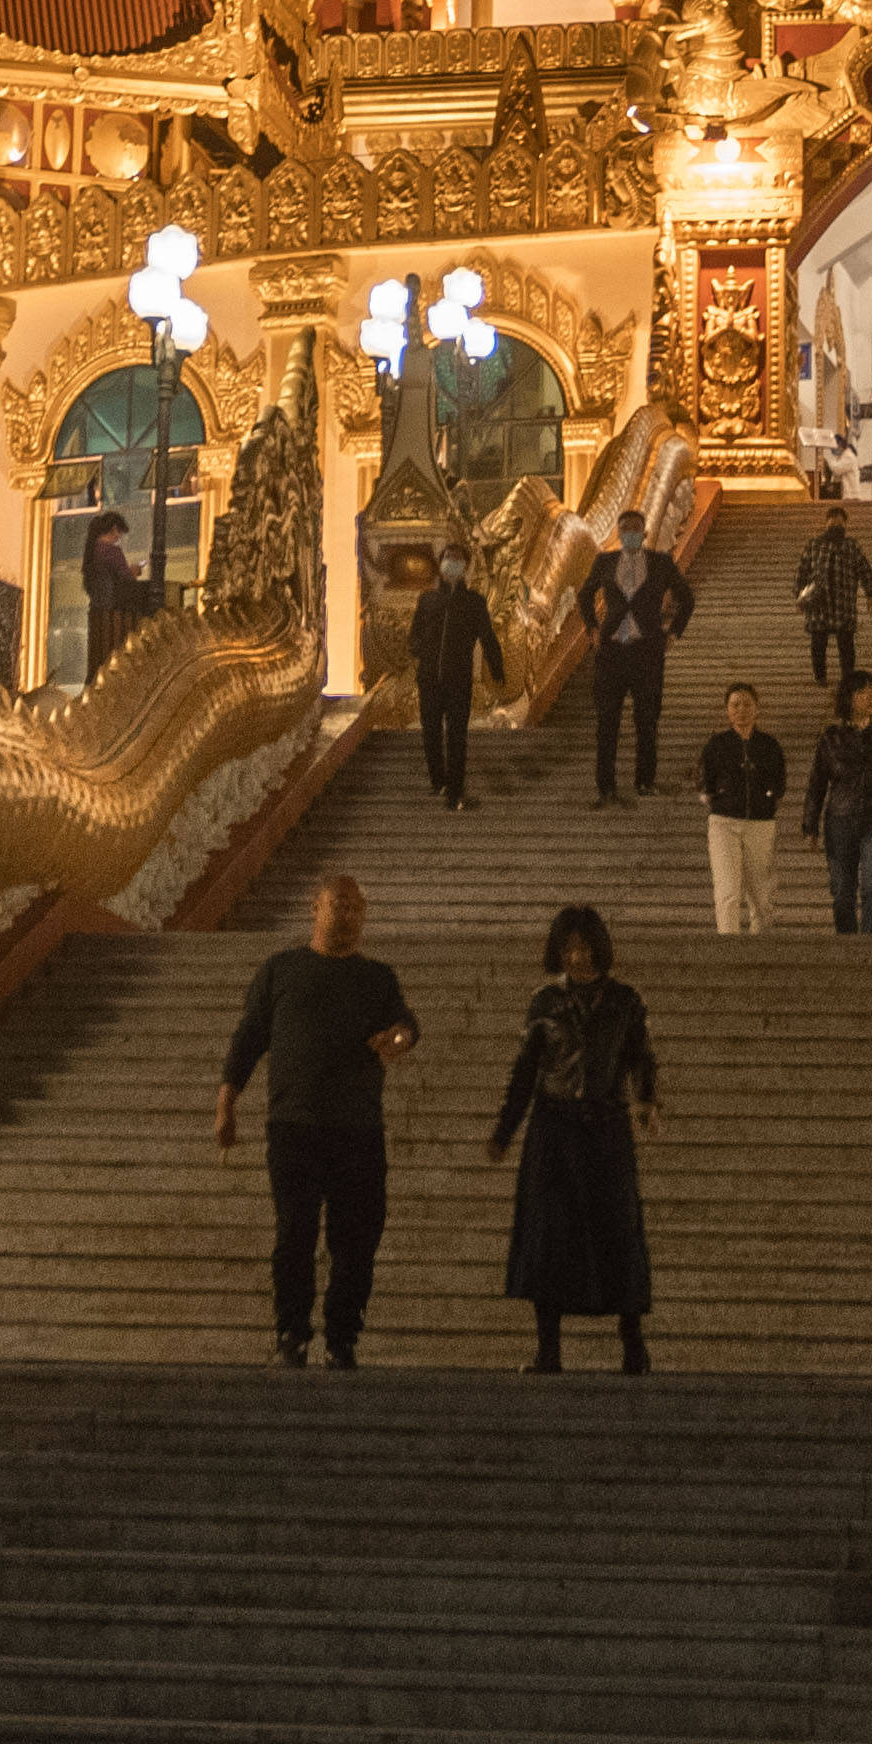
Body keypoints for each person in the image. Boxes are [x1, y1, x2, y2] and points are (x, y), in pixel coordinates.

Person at [213, 871, 419, 1368]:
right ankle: (292, 1331)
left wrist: (400, 1038)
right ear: (315, 907)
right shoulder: (281, 971)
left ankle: (343, 1336)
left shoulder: (377, 978)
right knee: (295, 1233)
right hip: (294, 1126)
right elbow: (248, 1039)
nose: (345, 915)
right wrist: (226, 1102)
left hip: (358, 1129)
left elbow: (407, 1023)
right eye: (336, 905)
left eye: (354, 908)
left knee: (357, 1237)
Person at [487, 903, 659, 1371]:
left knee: (618, 1233)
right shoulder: (545, 1003)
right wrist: (505, 1130)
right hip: (554, 1130)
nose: (578, 958)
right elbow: (525, 1073)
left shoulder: (625, 1000)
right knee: (548, 1238)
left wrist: (646, 1102)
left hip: (605, 1127)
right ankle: (548, 1349)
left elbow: (640, 1057)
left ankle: (633, 1345)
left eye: (584, 948)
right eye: (569, 949)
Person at [584, 513, 686, 806]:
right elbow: (584, 594)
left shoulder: (660, 563)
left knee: (647, 720)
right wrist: (592, 627)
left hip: (647, 652)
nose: (630, 533)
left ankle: (645, 781)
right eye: (625, 529)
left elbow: (686, 597)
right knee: (607, 722)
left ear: (644, 532)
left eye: (635, 529)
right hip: (612, 652)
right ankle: (606, 786)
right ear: (617, 532)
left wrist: (673, 632)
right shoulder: (604, 561)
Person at [805, 670, 872, 935]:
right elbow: (817, 782)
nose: (871, 697)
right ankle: (847, 948)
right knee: (842, 891)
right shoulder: (831, 737)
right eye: (863, 692)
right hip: (840, 819)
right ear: (849, 698)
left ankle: (870, 949)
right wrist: (810, 826)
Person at [406, 552, 502, 811]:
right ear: (441, 563)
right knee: (431, 733)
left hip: (458, 680)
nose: (453, 564)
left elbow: (487, 637)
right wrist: (420, 650)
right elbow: (414, 634)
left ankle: (455, 792)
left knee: (457, 736)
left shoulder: (473, 602)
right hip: (429, 679)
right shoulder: (428, 600)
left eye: (458, 560)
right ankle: (439, 782)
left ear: (465, 568)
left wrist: (497, 669)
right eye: (449, 559)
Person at [694, 681, 786, 931]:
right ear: (727, 710)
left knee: (761, 895)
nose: (741, 709)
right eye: (735, 704)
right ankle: (728, 953)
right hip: (724, 822)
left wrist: (768, 797)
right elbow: (704, 780)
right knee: (727, 891)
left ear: (757, 709)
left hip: (760, 823)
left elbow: (779, 782)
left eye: (747, 704)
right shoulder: (717, 745)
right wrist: (718, 797)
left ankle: (761, 953)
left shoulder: (769, 746)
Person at [793, 500, 872, 690]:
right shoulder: (813, 545)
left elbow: (864, 569)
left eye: (839, 523)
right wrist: (799, 597)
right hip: (819, 605)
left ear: (845, 524)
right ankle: (820, 677)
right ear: (826, 523)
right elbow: (802, 572)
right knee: (818, 644)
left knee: (846, 645)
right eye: (832, 522)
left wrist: (870, 594)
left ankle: (848, 679)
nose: (835, 525)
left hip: (843, 604)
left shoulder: (851, 546)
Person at [80, 507, 143, 678]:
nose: (119, 538)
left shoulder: (92, 551)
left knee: (98, 656)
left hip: (97, 610)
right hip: (114, 611)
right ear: (114, 528)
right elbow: (126, 578)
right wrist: (135, 571)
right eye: (119, 533)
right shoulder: (112, 551)